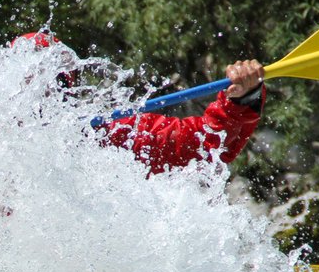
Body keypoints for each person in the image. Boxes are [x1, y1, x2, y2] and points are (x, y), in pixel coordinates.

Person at [16, 31, 266, 175]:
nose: (39, 92)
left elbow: (203, 143)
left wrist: (242, 97)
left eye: (55, 82)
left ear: (67, 92)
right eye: (23, 81)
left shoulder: (109, 136)